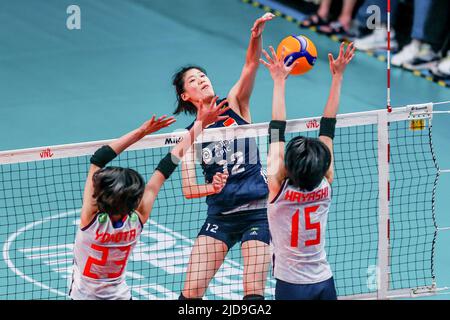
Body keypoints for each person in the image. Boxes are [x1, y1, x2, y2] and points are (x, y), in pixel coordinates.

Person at [69, 102, 229, 300]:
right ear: (135, 200)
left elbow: (98, 159)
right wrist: (200, 125)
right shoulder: (137, 219)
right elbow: (166, 167)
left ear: (101, 195)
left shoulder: (90, 219)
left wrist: (142, 131)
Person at [174, 13, 275, 300]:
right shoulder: (189, 136)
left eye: (202, 75)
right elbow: (189, 189)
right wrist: (212, 187)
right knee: (190, 293)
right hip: (220, 215)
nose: (201, 79)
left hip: (258, 211)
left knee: (253, 292)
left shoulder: (235, 105)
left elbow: (251, 65)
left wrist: (255, 36)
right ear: (186, 96)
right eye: (193, 80)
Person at [259, 41, 355, 300]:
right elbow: (328, 128)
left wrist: (279, 81)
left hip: (291, 286)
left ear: (287, 167)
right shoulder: (325, 184)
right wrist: (338, 77)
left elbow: (276, 129)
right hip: (324, 281)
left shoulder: (277, 188)